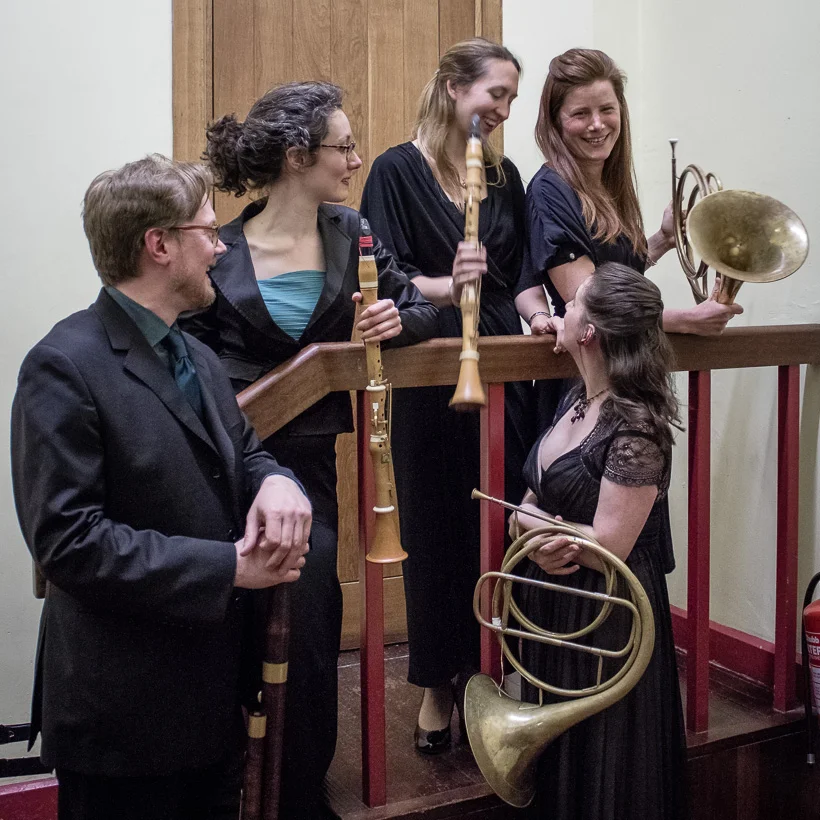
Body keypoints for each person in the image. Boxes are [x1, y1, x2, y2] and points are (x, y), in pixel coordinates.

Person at [10, 154, 313, 820]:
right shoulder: (62, 367)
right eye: (208, 230)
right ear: (159, 245)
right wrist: (229, 567)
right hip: (121, 716)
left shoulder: (195, 354)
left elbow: (241, 450)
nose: (221, 244)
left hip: (208, 698)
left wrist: (277, 481)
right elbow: (69, 542)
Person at [181, 81, 438, 817]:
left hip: (313, 466)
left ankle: (299, 790)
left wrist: (399, 319)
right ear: (298, 157)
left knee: (315, 623)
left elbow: (415, 307)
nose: (356, 159)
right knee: (229, 627)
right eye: (343, 147)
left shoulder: (350, 230)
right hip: (227, 471)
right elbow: (191, 360)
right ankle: (230, 784)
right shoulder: (220, 248)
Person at [360, 37, 534, 754]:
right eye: (495, 93)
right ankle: (439, 685)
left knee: (501, 526)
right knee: (436, 532)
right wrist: (445, 281)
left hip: (496, 363)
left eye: (511, 100)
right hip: (430, 368)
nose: (503, 109)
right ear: (452, 87)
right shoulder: (394, 171)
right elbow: (382, 271)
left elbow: (521, 270)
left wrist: (541, 316)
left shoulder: (506, 175)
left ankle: (499, 676)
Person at [513, 263, 687, 820]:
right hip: (560, 612)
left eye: (574, 303)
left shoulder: (636, 428)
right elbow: (533, 494)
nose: (562, 311)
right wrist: (528, 521)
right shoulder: (575, 399)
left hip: (608, 619)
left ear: (590, 332)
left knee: (607, 770)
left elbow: (609, 541)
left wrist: (534, 527)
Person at [514, 48, 743, 426]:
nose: (597, 124)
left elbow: (612, 273)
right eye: (580, 114)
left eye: (607, 109)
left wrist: (664, 239)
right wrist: (687, 319)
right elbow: (593, 303)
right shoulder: (550, 191)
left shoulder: (605, 184)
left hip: (628, 373)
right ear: (556, 122)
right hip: (584, 384)